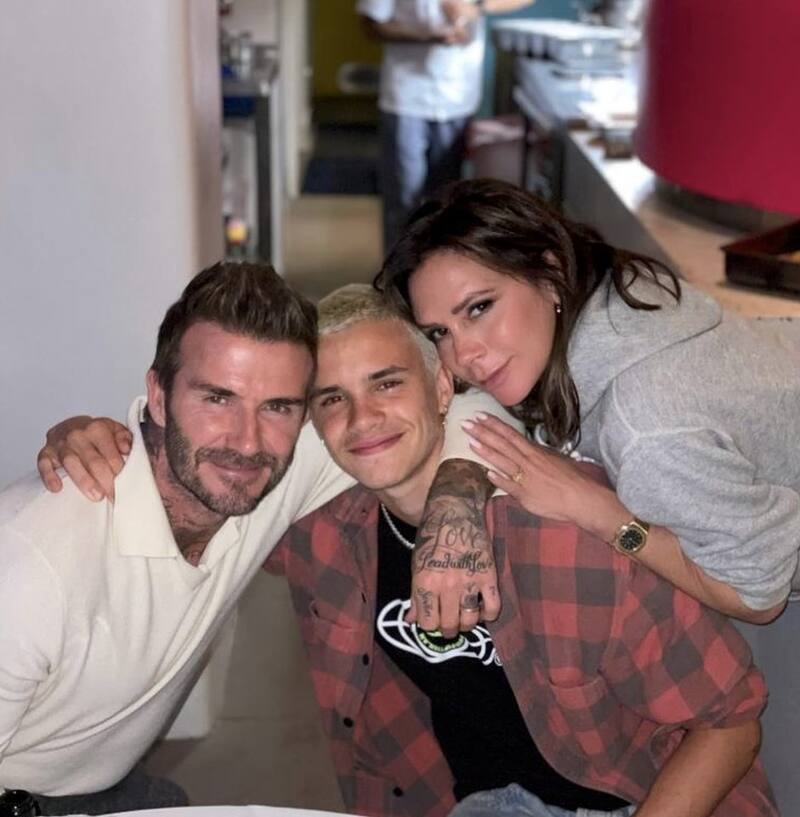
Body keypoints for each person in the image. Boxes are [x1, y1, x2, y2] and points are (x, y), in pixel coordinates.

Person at [0, 262, 496, 812]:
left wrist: (455, 501)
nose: (246, 442)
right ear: (158, 396)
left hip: (108, 787)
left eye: (278, 407)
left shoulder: (277, 466)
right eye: (217, 398)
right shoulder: (31, 565)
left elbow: (472, 405)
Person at [267, 284, 775, 817]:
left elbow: (731, 724)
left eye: (387, 383)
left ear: (442, 388)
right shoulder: (325, 537)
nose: (362, 418)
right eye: (332, 398)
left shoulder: (564, 534)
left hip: (639, 800)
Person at [374, 177, 800, 629]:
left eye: (479, 308)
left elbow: (757, 596)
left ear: (549, 274)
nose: (464, 355)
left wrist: (596, 510)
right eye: (440, 332)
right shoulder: (617, 294)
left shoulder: (647, 435)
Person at [358, 0, 534, 251]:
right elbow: (370, 26)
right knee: (403, 199)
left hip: (458, 96)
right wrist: (429, 35)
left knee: (446, 203)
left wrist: (478, 7)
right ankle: (397, 270)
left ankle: (436, 270)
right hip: (406, 96)